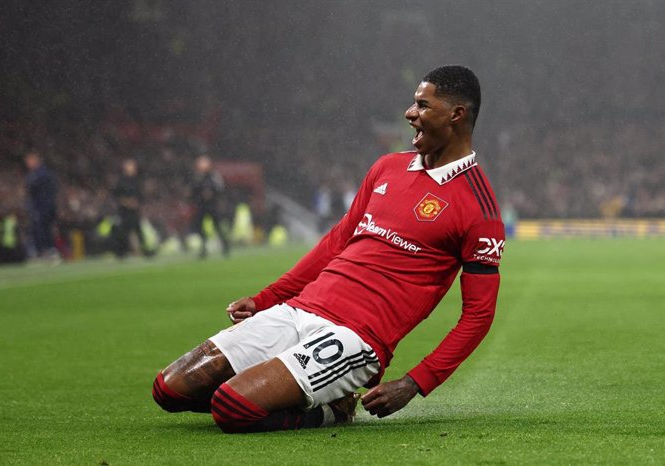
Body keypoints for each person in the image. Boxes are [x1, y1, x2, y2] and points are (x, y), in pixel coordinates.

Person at [152, 65, 505, 433]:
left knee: (232, 408)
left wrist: (414, 383)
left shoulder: (479, 207)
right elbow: (336, 243)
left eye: (422, 105)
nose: (409, 113)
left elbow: (478, 316)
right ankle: (295, 390)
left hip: (355, 336)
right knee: (169, 389)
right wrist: (265, 299)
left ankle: (334, 410)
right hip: (299, 310)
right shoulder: (388, 167)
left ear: (456, 114)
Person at [190, 155, 230, 258]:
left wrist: (211, 193)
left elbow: (220, 189)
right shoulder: (198, 177)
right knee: (201, 228)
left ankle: (225, 246)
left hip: (212, 205)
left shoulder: (213, 176)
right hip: (202, 205)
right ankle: (204, 248)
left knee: (217, 227)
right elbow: (193, 191)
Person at [24, 151, 59, 259]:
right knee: (45, 229)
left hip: (41, 207)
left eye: (29, 161)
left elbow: (31, 190)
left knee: (41, 230)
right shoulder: (46, 174)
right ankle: (49, 250)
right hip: (46, 206)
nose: (28, 163)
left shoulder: (37, 175)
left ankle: (44, 251)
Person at [113, 158, 149, 257]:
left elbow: (141, 195)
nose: (132, 168)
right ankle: (121, 252)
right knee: (123, 231)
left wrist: (136, 203)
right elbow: (117, 195)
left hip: (134, 210)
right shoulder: (121, 181)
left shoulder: (136, 180)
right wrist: (127, 202)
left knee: (138, 229)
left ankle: (145, 249)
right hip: (124, 211)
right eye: (130, 166)